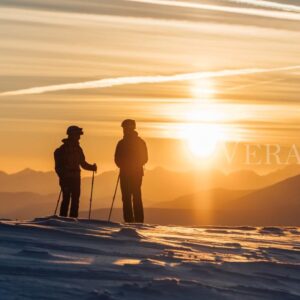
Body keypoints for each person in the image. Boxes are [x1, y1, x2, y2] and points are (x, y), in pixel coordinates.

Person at [54, 126, 97, 218]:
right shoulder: (64, 150)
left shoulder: (76, 149)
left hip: (74, 178)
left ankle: (68, 220)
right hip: (68, 178)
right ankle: (66, 220)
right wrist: (63, 176)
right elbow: (82, 164)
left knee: (74, 200)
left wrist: (91, 168)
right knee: (68, 200)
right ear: (72, 135)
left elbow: (82, 163)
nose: (79, 137)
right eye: (77, 135)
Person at [114, 119, 148, 223]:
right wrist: (134, 165)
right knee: (135, 196)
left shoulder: (122, 143)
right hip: (135, 173)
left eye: (125, 128)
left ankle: (131, 221)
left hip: (128, 173)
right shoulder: (140, 142)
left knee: (128, 197)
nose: (124, 130)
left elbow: (117, 159)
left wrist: (125, 166)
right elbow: (145, 158)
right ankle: (137, 221)